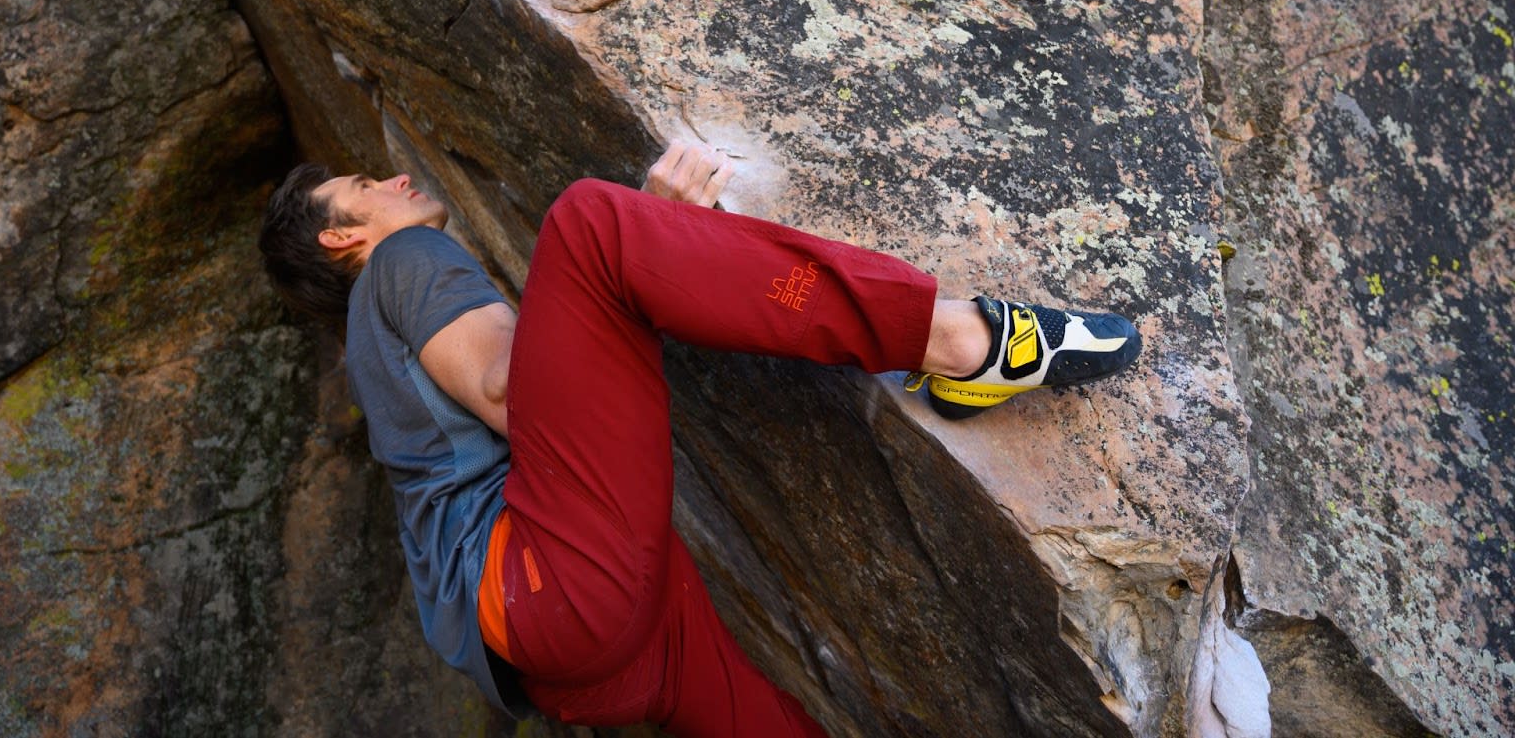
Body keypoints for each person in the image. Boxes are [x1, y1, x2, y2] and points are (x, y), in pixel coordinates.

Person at [258, 141, 1140, 736]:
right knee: (592, 227)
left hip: (570, 666)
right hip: (547, 579)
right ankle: (959, 342)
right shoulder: (401, 265)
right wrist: (652, 229)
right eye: (365, 187)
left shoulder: (380, 363)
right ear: (343, 236)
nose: (393, 181)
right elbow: (510, 391)